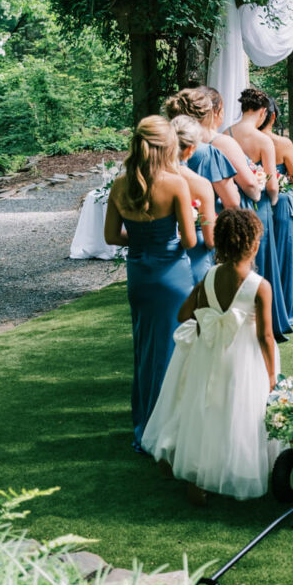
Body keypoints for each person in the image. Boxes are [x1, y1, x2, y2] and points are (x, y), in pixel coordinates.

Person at [141, 208, 279, 505]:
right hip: (244, 361)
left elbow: (182, 314)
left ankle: (197, 478)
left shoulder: (209, 276)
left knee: (206, 413)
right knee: (238, 414)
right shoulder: (260, 286)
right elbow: (265, 336)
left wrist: (209, 318)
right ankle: (233, 470)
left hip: (210, 357)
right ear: (253, 244)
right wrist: (270, 374)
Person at [104, 116, 197, 453]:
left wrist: (143, 239)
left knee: (144, 350)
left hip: (139, 277)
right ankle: (169, 428)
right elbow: (188, 241)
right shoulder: (176, 184)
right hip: (172, 276)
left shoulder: (119, 185)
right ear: (168, 146)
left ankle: (145, 424)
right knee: (174, 350)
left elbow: (112, 236)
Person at [232, 88, 292, 342]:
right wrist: (274, 199)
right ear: (263, 112)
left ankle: (239, 318)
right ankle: (268, 322)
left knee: (238, 261)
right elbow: (272, 185)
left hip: (234, 205)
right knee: (264, 260)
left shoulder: (227, 135)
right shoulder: (263, 140)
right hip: (261, 207)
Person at [164, 88, 252, 212]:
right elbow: (232, 202)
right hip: (207, 222)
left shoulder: (159, 148)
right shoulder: (208, 152)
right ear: (207, 115)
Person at [259, 98, 293, 325]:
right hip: (281, 201)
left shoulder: (243, 140)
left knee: (265, 254)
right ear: (273, 116)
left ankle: (264, 307)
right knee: (284, 255)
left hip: (258, 201)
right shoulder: (282, 143)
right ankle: (285, 308)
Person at [196, 86, 264, 205]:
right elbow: (250, 185)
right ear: (216, 112)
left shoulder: (184, 139)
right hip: (224, 210)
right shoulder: (222, 142)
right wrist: (258, 191)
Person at [169, 115, 217, 284]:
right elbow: (211, 240)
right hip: (195, 261)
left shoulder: (149, 179)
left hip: (159, 260)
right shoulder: (200, 184)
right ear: (191, 148)